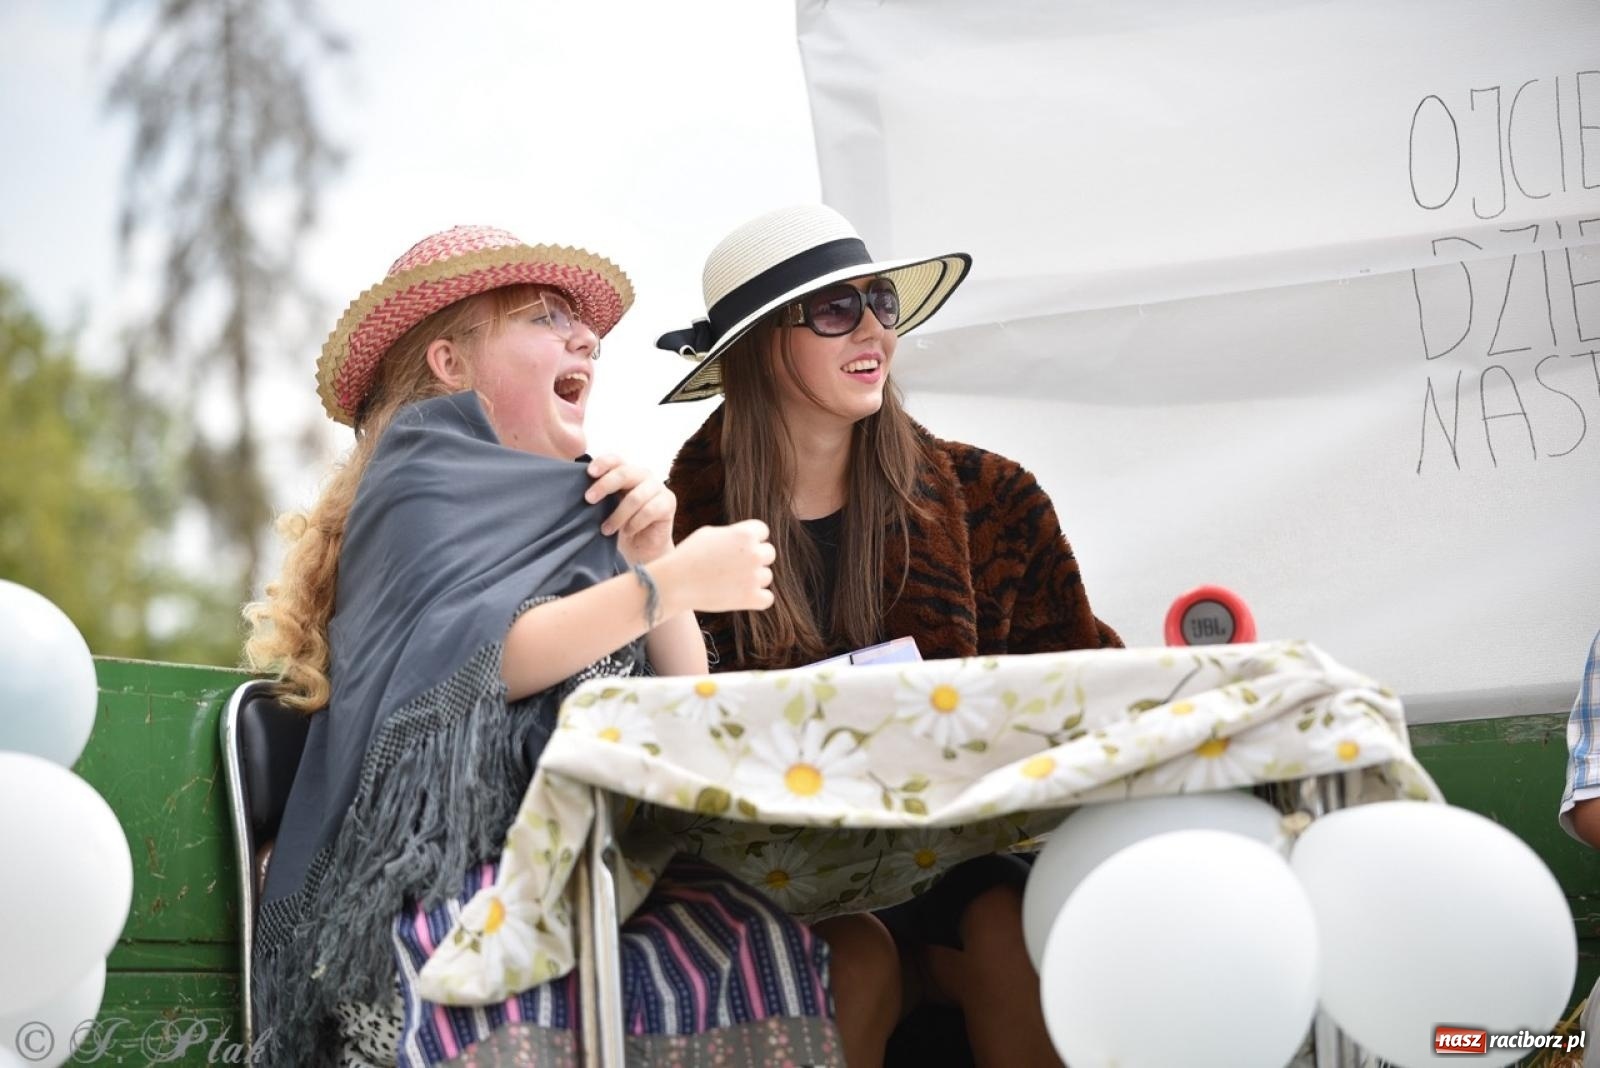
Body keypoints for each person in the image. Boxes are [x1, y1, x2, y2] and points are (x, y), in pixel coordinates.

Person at [242, 225, 844, 1067]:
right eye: (543, 319)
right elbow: (480, 663)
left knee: (777, 939)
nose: (585, 338)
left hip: (568, 871)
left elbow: (682, 701)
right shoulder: (417, 478)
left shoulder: (576, 506)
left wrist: (654, 554)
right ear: (450, 364)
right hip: (435, 892)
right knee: (695, 952)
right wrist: (665, 587)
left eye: (580, 324)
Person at [657, 204, 1123, 1068]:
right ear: (759, 347)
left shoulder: (995, 499)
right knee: (851, 961)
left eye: (883, 301)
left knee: (1004, 926)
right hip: (784, 880)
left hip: (959, 857)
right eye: (838, 309)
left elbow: (1084, 692)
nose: (874, 328)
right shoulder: (677, 534)